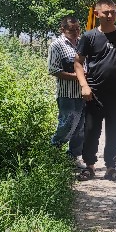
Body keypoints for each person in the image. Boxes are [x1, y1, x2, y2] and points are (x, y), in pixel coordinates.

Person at [74, 0, 116, 182]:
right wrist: (84, 86)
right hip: (94, 93)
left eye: (113, 12)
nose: (110, 15)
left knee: (115, 132)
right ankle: (89, 166)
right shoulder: (89, 37)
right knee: (91, 131)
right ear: (97, 14)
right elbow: (78, 63)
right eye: (106, 12)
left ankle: (111, 167)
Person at [47, 15, 86, 167]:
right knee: (66, 125)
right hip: (67, 94)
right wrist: (77, 77)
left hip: (83, 93)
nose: (76, 32)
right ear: (62, 29)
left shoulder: (83, 43)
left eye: (77, 29)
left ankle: (73, 157)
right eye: (71, 30)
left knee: (81, 127)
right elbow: (54, 70)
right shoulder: (56, 45)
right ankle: (53, 154)